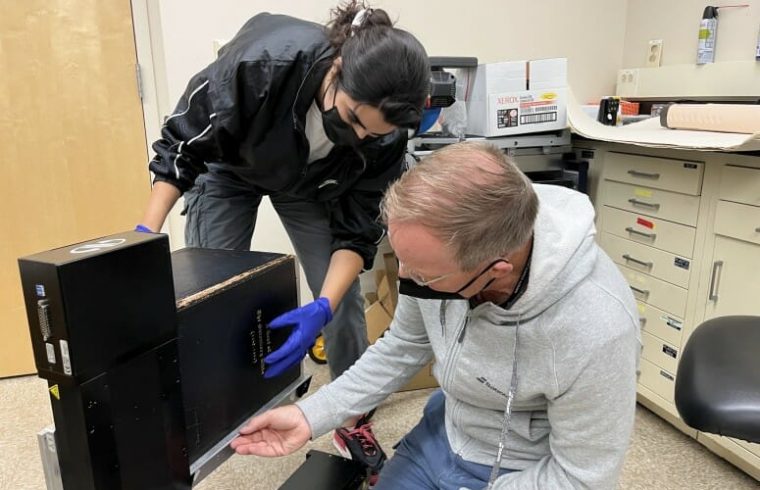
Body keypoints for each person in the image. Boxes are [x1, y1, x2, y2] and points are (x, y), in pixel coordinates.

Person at [229, 141, 642, 489]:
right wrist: (310, 414)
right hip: (443, 433)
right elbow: (400, 348)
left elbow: (582, 478)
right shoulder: (431, 261)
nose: (405, 277)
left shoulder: (598, 327)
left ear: (495, 269)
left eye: (422, 273)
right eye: (402, 261)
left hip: (524, 471)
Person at [137, 0, 429, 468]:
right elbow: (181, 146)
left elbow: (356, 234)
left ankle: (351, 415)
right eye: (353, 118)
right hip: (228, 166)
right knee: (205, 296)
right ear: (337, 68)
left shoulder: (386, 139)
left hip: (307, 182)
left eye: (371, 134)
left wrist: (321, 306)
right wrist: (145, 236)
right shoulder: (261, 66)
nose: (355, 136)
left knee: (343, 299)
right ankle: (194, 414)